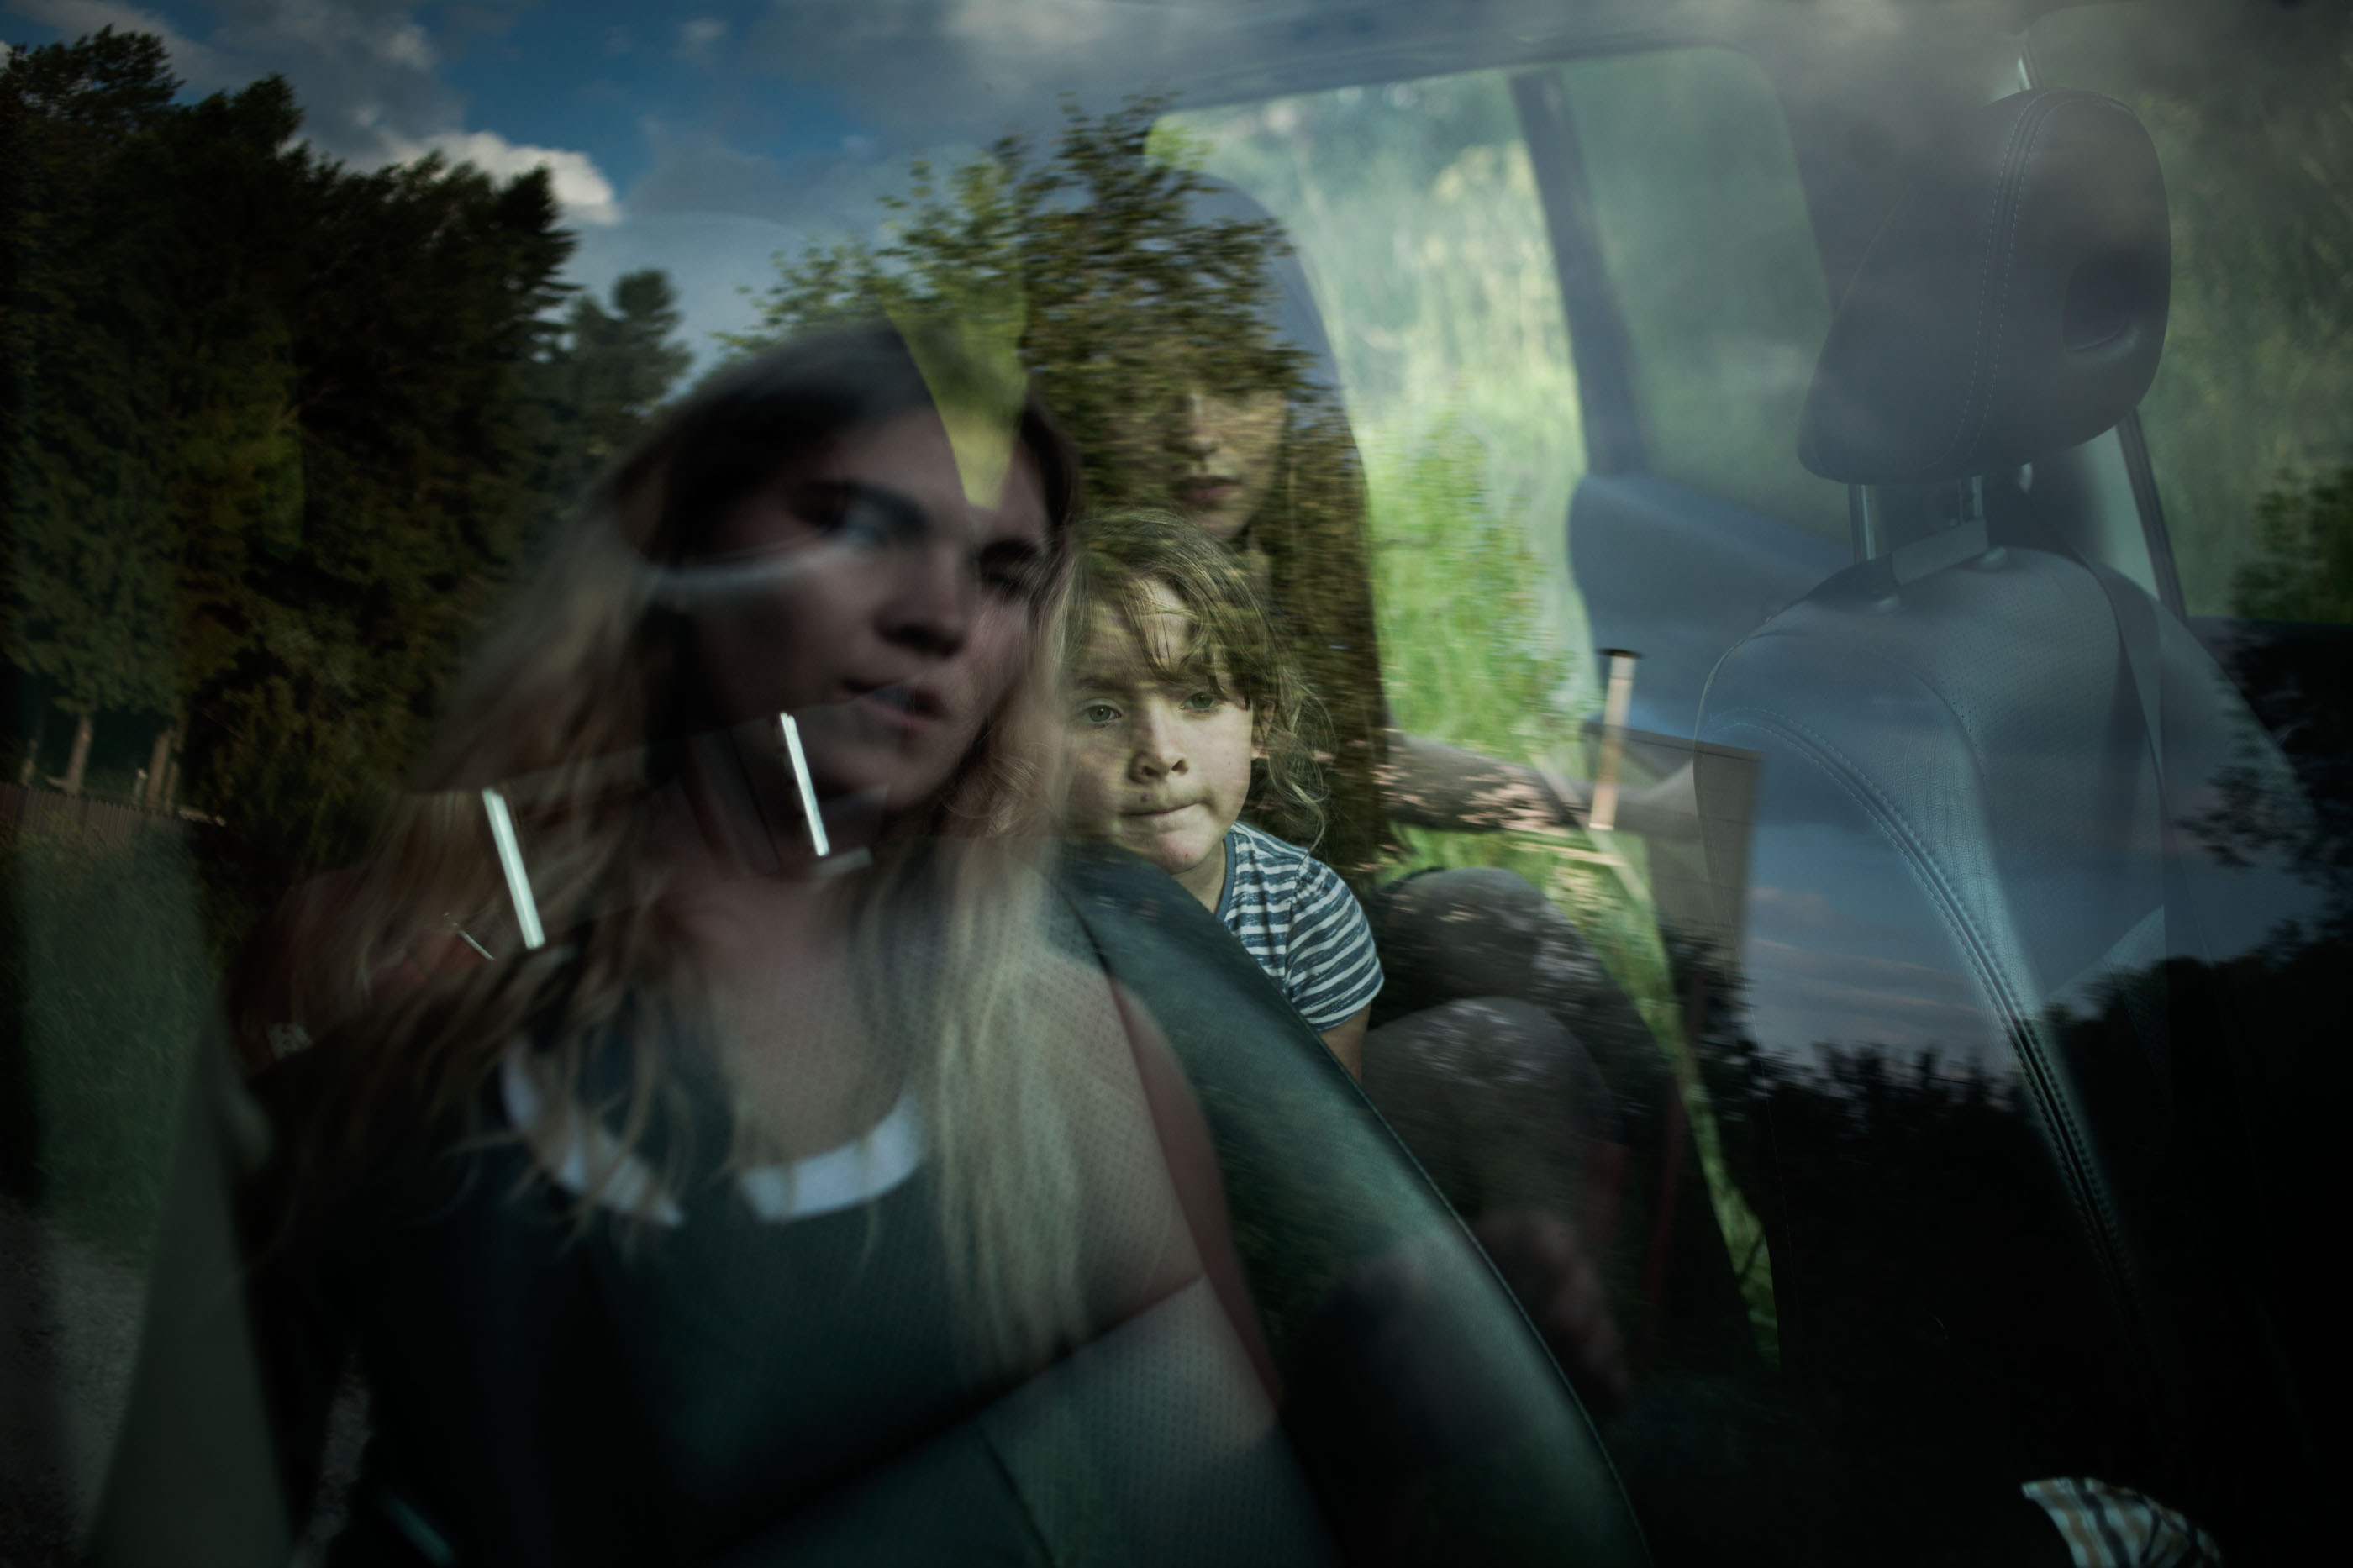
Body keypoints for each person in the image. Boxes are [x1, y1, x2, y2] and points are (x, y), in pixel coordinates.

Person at [90, 323, 1289, 1566]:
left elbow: (1223, 1520)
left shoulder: (1083, 1060)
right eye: (855, 524)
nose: (940, 614)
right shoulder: (376, 1047)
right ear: (680, 555)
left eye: (1001, 574)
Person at [1056, 508, 1383, 1074]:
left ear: (1261, 725)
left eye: (1200, 700)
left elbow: (1324, 1123)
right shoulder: (1004, 911)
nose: (1161, 753)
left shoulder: (1305, 916)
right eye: (1100, 711)